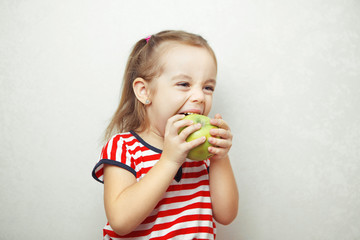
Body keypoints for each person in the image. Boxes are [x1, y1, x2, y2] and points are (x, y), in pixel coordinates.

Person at [92, 30, 239, 240]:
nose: (199, 97)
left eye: (207, 87)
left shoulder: (201, 151)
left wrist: (220, 157)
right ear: (144, 91)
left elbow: (226, 215)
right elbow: (121, 221)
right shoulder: (124, 147)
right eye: (184, 84)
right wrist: (170, 160)